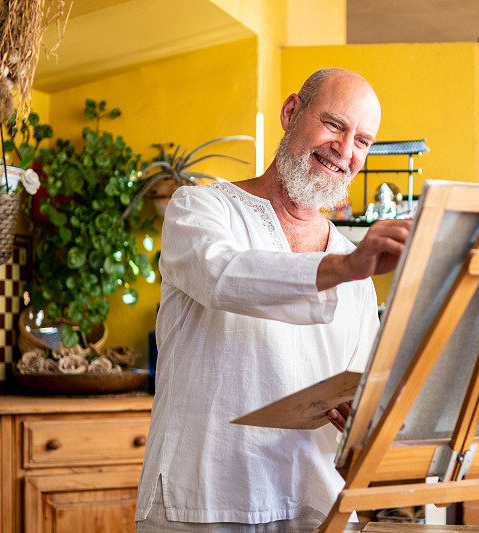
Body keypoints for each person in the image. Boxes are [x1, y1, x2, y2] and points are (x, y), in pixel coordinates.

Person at [135, 68, 411, 532]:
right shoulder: (200, 208)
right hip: (203, 499)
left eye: (362, 140)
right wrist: (344, 269)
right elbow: (223, 276)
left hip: (314, 503)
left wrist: (362, 414)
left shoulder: (353, 261)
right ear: (290, 113)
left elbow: (360, 383)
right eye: (335, 125)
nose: (344, 151)